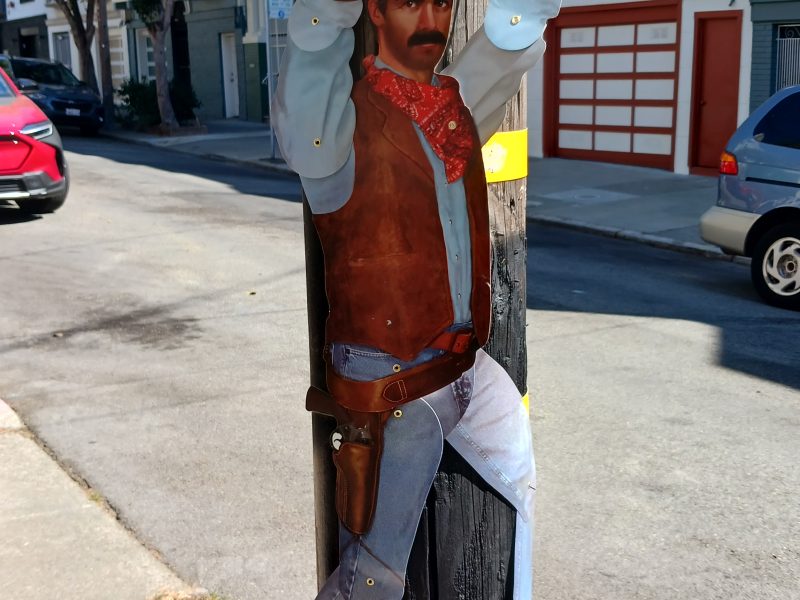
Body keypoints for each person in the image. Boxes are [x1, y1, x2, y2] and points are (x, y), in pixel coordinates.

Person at [273, 0, 560, 597]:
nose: (431, 18)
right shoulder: (340, 130)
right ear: (373, 11)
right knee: (372, 576)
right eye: (409, 2)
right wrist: (327, 11)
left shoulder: (448, 107)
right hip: (392, 383)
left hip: (464, 365)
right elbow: (311, 92)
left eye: (441, 2)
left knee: (519, 488)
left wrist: (526, 11)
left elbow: (501, 59)